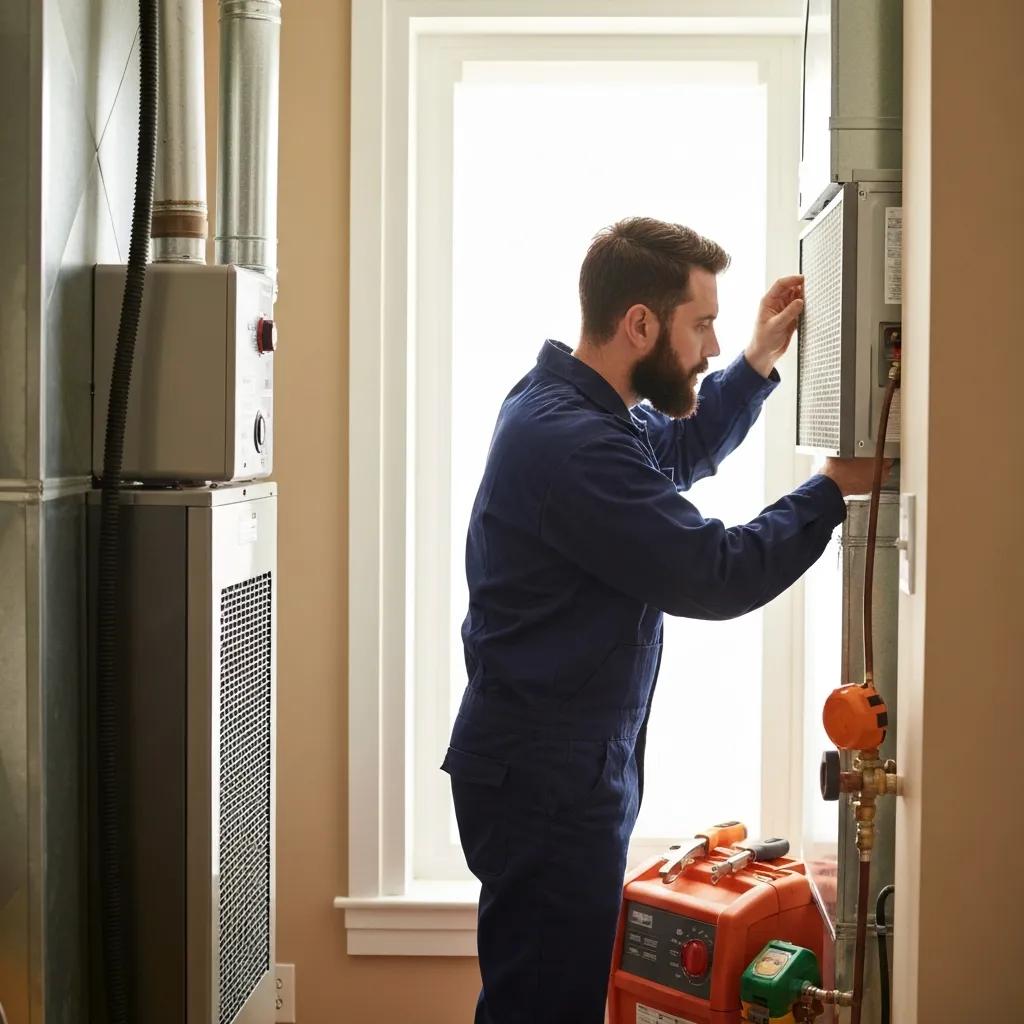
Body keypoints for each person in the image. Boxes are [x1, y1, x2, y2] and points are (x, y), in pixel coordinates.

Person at [442, 217, 881, 1024]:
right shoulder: (570, 441)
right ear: (640, 323)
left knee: (546, 996)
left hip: (556, 768)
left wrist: (756, 362)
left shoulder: (578, 405)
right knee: (543, 1007)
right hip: (546, 782)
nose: (710, 345)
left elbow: (675, 449)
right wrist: (829, 490)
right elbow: (713, 572)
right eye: (702, 325)